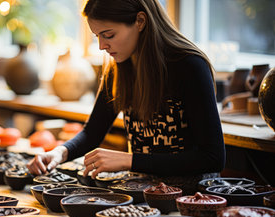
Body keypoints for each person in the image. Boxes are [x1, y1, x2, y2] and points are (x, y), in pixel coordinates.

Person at [27, 0, 225, 194]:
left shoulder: (189, 65)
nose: (101, 46)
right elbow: (92, 133)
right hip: (143, 192)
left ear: (140, 21)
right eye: (97, 36)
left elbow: (212, 157)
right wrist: (58, 153)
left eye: (108, 35)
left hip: (192, 197)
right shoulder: (118, 69)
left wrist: (129, 160)